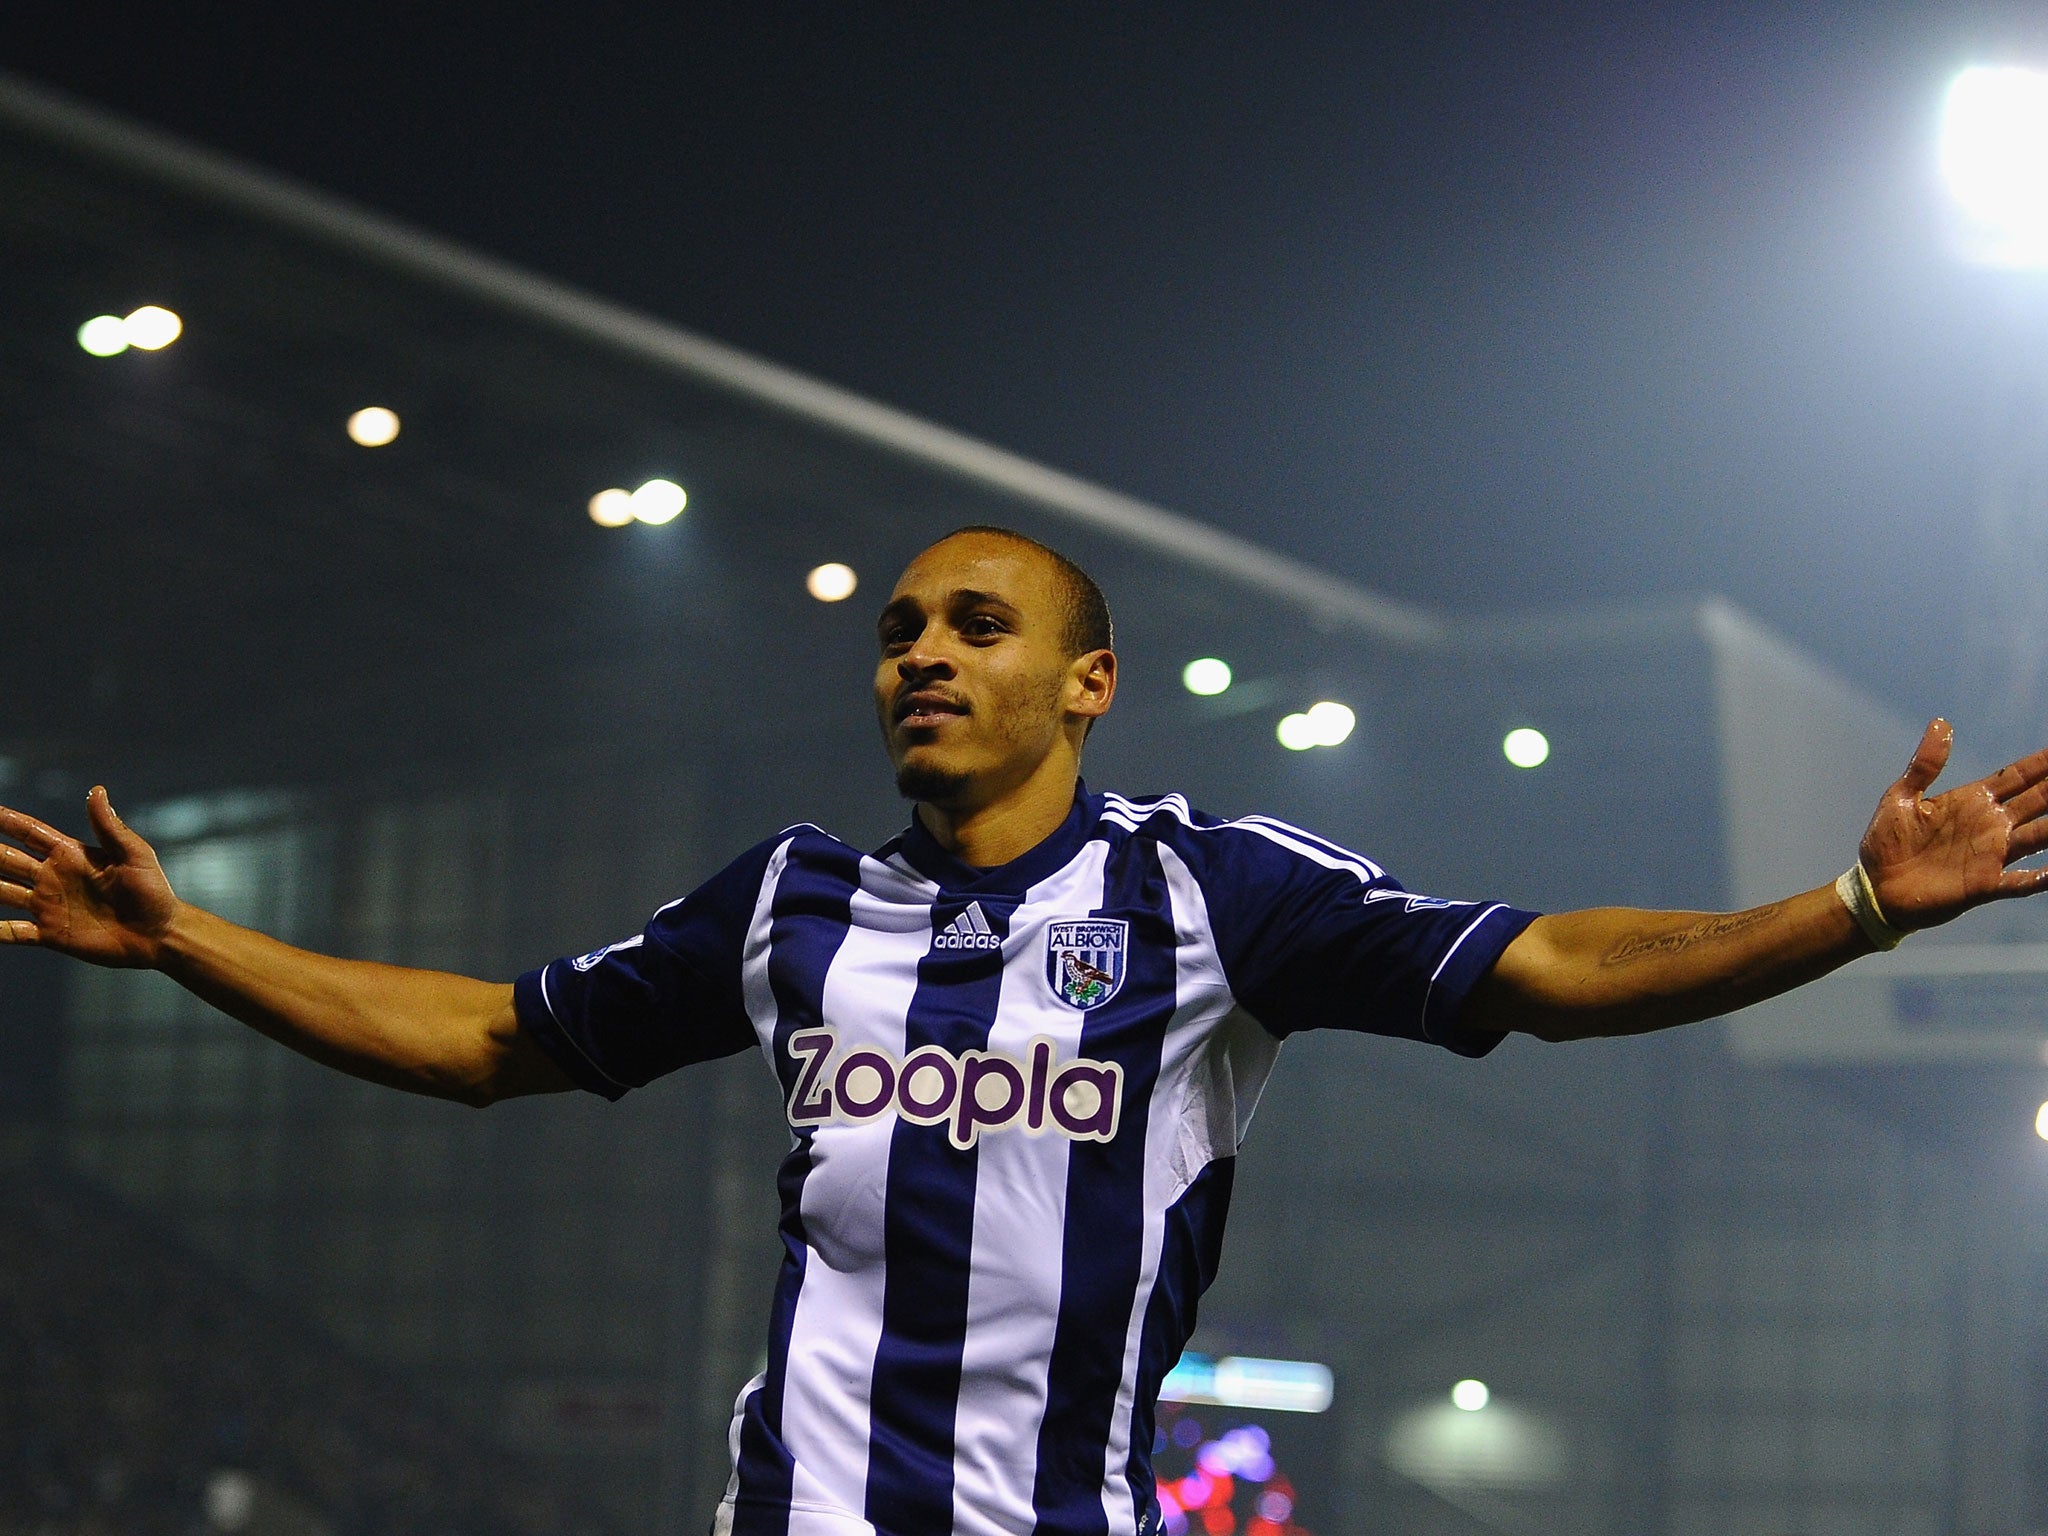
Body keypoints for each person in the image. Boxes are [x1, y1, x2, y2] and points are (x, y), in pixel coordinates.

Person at [5, 525, 2048, 1536]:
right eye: (897, 627)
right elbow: (486, 1038)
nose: (918, 654)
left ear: (1088, 685)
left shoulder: (1209, 891)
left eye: (975, 626)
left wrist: (1853, 906)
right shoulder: (794, 900)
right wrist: (191, 942)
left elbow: (1553, 968)